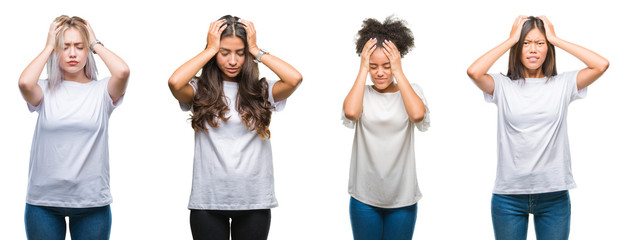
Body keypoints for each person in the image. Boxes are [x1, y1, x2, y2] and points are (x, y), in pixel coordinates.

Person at [466, 16, 609, 240]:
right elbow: (474, 72)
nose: (533, 49)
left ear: (548, 49)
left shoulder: (562, 84)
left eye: (540, 43)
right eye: (526, 43)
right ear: (517, 48)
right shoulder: (502, 86)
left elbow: (601, 65)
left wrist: (555, 39)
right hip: (509, 197)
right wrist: (511, 38)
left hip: (554, 196)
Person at [168, 15, 302, 240]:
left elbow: (294, 78)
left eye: (240, 53)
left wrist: (256, 49)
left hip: (254, 199)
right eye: (224, 52)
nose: (233, 60)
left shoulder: (261, 91)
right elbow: (174, 82)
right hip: (208, 201)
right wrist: (209, 50)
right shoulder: (199, 89)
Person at [18, 15, 130, 240]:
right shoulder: (43, 90)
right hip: (43, 202)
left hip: (91, 203)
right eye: (65, 47)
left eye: (79, 47)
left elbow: (123, 72)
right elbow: (24, 83)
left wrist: (95, 43)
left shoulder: (102, 91)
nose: (72, 53)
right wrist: (49, 45)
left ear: (87, 51)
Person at [342, 16, 430, 240]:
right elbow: (351, 113)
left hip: (402, 199)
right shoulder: (362, 94)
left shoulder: (412, 92)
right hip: (364, 198)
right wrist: (363, 69)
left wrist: (398, 72)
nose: (380, 72)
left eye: (386, 66)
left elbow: (418, 115)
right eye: (374, 67)